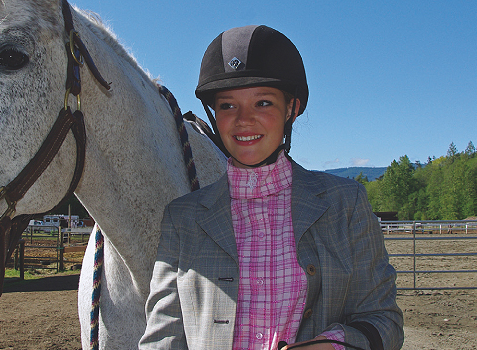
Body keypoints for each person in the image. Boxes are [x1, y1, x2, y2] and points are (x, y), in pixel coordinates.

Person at [139, 25, 403, 350]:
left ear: (291, 108)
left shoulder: (346, 205)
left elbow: (384, 321)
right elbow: (161, 340)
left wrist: (332, 345)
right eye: (227, 105)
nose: (243, 119)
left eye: (262, 103)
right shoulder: (182, 219)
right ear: (214, 114)